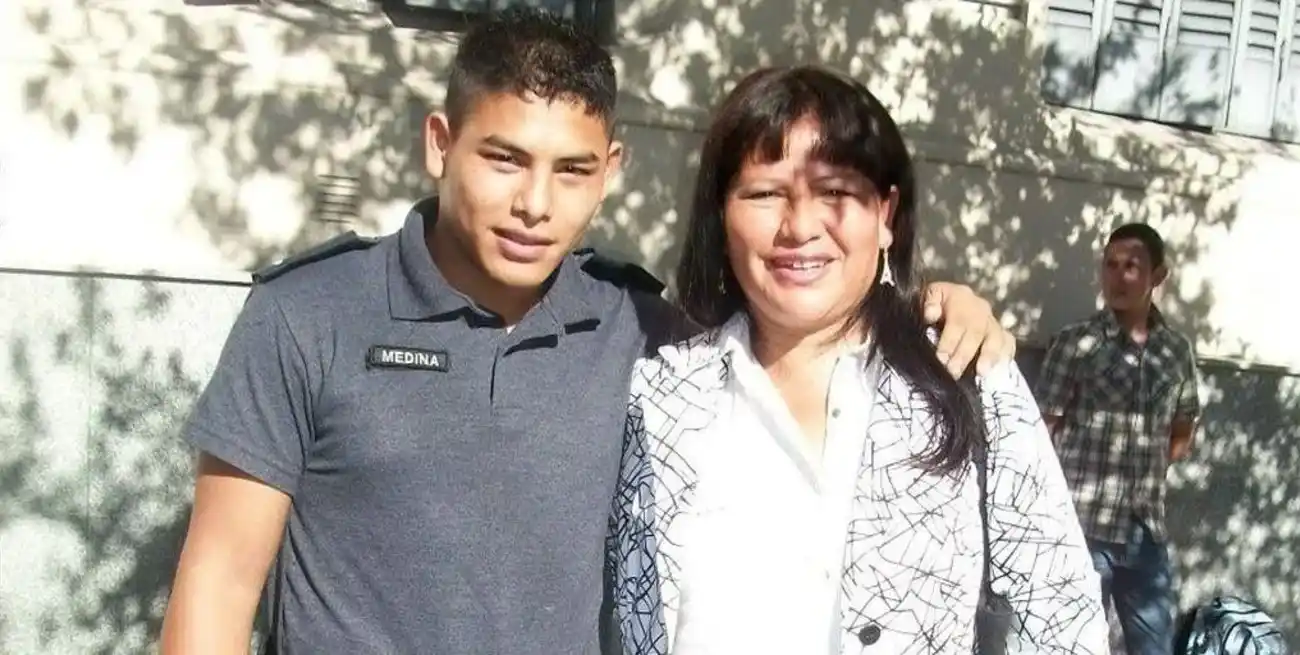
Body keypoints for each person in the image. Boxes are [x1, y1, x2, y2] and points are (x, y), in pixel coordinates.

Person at [159, 10, 1017, 654]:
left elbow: (799, 316)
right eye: (504, 159)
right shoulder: (307, 315)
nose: (536, 204)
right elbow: (218, 584)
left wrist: (930, 303)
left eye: (571, 171)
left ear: (609, 172)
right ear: (440, 144)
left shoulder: (637, 328)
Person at [607, 65, 1109, 655]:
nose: (799, 227)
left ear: (886, 215)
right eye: (765, 193)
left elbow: (1060, 615)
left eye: (836, 192)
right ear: (722, 215)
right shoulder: (657, 396)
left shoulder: (965, 375)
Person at [1036, 223, 1202, 655]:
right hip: (1082, 530)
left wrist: (1147, 471)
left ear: (1157, 276)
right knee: (1068, 645)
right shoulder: (1077, 344)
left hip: (1145, 533)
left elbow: (1183, 425)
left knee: (1155, 648)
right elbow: (1041, 432)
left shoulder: (1176, 351)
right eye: (1111, 265)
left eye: (1132, 266)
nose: (1119, 277)